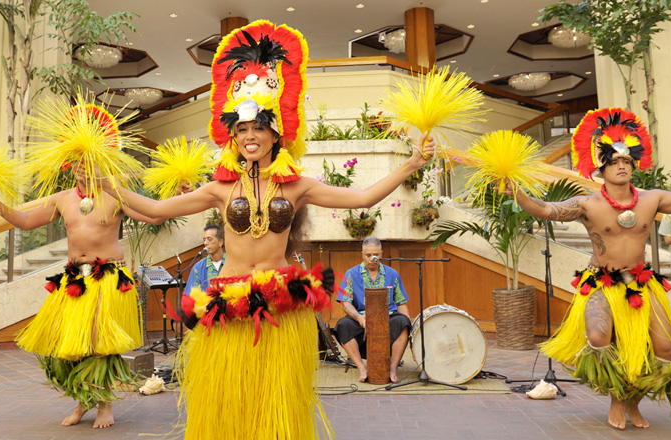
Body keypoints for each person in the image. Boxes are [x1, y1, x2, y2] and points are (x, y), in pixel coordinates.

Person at [96, 20, 436, 440]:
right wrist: (107, 182)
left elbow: (363, 198)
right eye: (242, 129)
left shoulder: (296, 186)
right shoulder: (219, 188)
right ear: (232, 136)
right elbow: (155, 208)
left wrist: (411, 164)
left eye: (259, 127)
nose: (250, 135)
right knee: (230, 397)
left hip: (278, 302)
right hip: (229, 300)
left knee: (277, 400)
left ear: (277, 133)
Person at [501, 108, 671, 430]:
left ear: (634, 165)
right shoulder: (587, 204)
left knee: (666, 347)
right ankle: (616, 399)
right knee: (598, 337)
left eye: (626, 161)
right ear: (602, 169)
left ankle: (634, 402)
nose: (622, 166)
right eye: (614, 162)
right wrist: (520, 195)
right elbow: (546, 209)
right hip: (602, 282)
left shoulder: (652, 199)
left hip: (641, 281)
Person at [0, 158, 164, 429]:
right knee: (72, 344)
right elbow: (27, 221)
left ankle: (104, 405)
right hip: (75, 278)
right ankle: (83, 401)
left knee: (99, 343)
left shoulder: (114, 195)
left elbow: (154, 216)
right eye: (76, 162)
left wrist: (180, 196)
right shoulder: (62, 199)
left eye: (87, 161)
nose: (81, 167)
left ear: (101, 163)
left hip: (108, 277)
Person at [336, 236, 411, 384]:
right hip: (362, 318)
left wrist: (410, 325)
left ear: (381, 254)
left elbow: (401, 302)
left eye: (375, 255)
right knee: (343, 325)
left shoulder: (392, 274)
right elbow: (345, 302)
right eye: (368, 255)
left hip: (388, 317)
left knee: (403, 322)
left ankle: (392, 368)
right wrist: (358, 317)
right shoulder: (351, 274)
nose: (372, 258)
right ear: (362, 255)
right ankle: (362, 368)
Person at [183, 223, 226, 295]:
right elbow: (190, 297)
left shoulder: (232, 263)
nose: (205, 243)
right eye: (204, 240)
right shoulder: (198, 268)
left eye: (209, 239)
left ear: (220, 242)